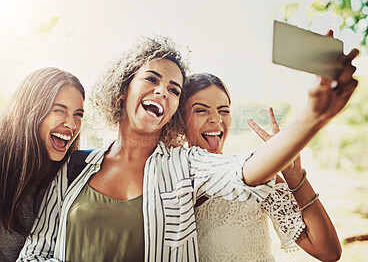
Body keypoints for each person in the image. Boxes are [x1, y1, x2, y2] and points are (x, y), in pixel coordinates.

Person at [18, 34, 358, 262]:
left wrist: (312, 117)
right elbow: (37, 249)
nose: (163, 92)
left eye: (174, 89)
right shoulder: (74, 166)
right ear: (124, 89)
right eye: (152, 80)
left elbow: (243, 170)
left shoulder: (186, 166)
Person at [180, 72, 341, 261]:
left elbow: (328, 252)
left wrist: (294, 175)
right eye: (201, 110)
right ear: (180, 120)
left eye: (224, 110)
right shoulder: (165, 178)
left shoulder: (257, 176)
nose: (216, 119)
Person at [0, 67, 85, 262]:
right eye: (59, 110)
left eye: (78, 114)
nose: (71, 124)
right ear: (30, 110)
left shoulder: (73, 171)